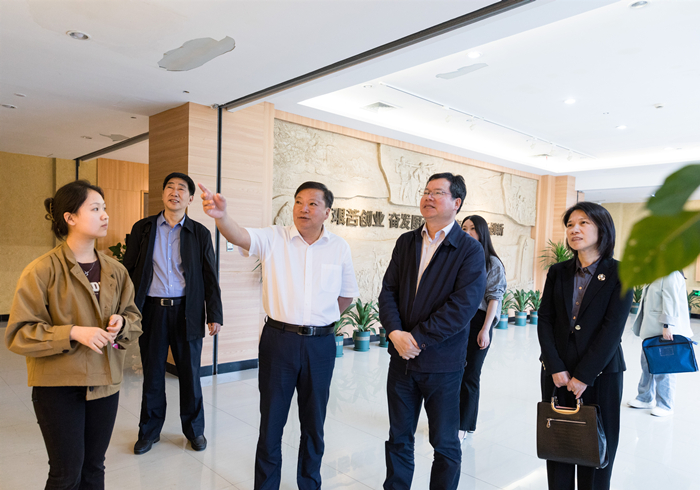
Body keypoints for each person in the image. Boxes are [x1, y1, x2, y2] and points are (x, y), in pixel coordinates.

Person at [199, 180, 359, 490]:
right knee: (271, 422)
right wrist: (221, 216)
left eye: (312, 203)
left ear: (327, 212)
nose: (303, 208)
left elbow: (346, 295)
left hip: (321, 345)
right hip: (279, 341)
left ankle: (309, 483)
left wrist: (320, 321)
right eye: (299, 201)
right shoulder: (274, 237)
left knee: (314, 422)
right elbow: (238, 235)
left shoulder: (339, 247)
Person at [5, 180, 142, 489]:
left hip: (105, 384)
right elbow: (18, 333)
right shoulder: (42, 270)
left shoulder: (116, 271)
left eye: (105, 208)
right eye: (95, 209)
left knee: (94, 468)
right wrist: (73, 332)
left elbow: (135, 319)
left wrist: (122, 324)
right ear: (70, 218)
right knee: (66, 473)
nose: (105, 215)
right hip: (58, 387)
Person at [379, 173, 486, 490]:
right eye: (426, 191)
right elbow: (388, 291)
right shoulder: (407, 242)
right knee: (398, 438)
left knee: (445, 443)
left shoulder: (469, 250)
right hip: (401, 360)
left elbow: (462, 307)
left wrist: (416, 339)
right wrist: (395, 332)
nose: (428, 197)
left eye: (437, 192)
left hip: (443, 364)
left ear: (456, 202)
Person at [123, 172, 223, 454]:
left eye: (181, 189)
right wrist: (123, 310)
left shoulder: (199, 233)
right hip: (152, 311)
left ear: (190, 199)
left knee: (190, 375)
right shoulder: (143, 228)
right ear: (163, 193)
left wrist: (214, 314)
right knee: (153, 374)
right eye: (170, 187)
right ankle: (149, 432)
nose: (174, 192)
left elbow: (209, 275)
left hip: (186, 311)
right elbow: (127, 269)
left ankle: (194, 431)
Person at [537, 201, 633, 490]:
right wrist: (554, 366)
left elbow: (612, 330)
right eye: (569, 224)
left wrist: (584, 376)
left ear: (602, 229)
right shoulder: (558, 272)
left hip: (601, 375)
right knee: (559, 444)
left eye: (583, 223)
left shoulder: (622, 273)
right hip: (557, 374)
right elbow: (545, 320)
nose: (574, 229)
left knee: (596, 450)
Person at [458, 215, 507, 440]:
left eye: (472, 229)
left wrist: (486, 329)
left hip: (479, 321)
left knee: (470, 374)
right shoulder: (459, 258)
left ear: (482, 233)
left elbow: (494, 298)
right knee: (454, 373)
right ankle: (452, 421)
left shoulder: (492, 263)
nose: (467, 232)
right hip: (458, 321)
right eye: (464, 228)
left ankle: (464, 425)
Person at [628, 271, 693, 417]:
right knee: (647, 364)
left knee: (665, 368)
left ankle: (666, 404)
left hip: (664, 329)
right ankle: (644, 398)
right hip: (652, 329)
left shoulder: (671, 273)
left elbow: (671, 300)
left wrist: (667, 325)